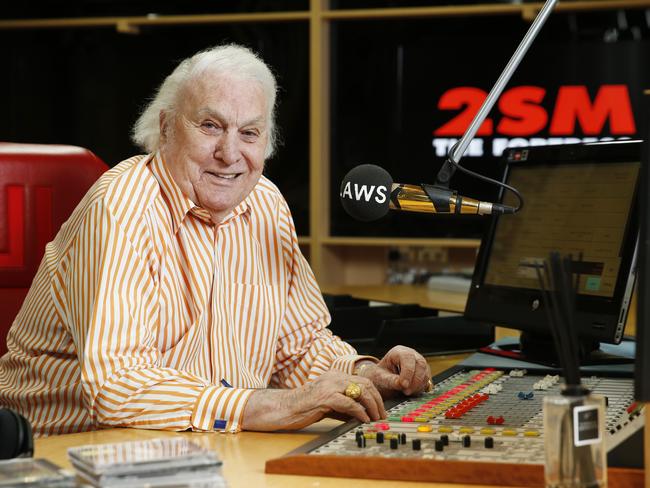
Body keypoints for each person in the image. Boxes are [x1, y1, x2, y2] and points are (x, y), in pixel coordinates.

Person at [0, 44, 431, 437]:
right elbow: (118, 386)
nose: (230, 153)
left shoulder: (265, 203)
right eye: (210, 126)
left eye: (249, 133)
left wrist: (363, 375)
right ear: (167, 127)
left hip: (198, 446)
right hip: (69, 450)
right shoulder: (121, 207)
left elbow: (296, 347)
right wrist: (264, 406)